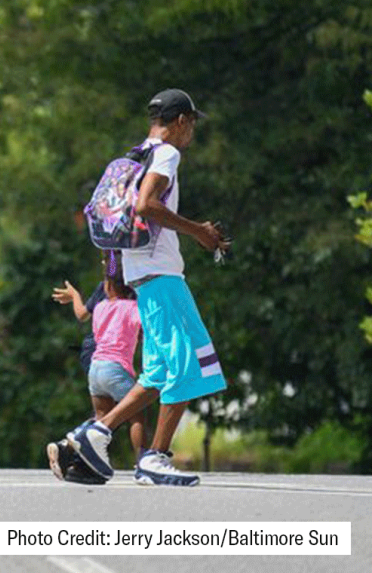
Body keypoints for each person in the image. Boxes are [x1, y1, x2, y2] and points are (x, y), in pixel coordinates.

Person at [67, 89, 231, 486]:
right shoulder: (168, 154)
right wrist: (200, 233)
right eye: (191, 123)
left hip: (141, 272)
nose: (191, 132)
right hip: (160, 275)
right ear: (180, 121)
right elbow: (145, 205)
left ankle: (95, 433)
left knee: (158, 371)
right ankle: (154, 458)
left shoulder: (136, 153)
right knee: (185, 365)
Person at [47, 254, 148, 484]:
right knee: (136, 415)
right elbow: (144, 329)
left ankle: (72, 451)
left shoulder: (101, 307)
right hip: (116, 369)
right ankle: (144, 463)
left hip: (95, 369)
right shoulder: (134, 307)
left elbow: (88, 319)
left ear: (107, 285)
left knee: (102, 419)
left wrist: (75, 296)